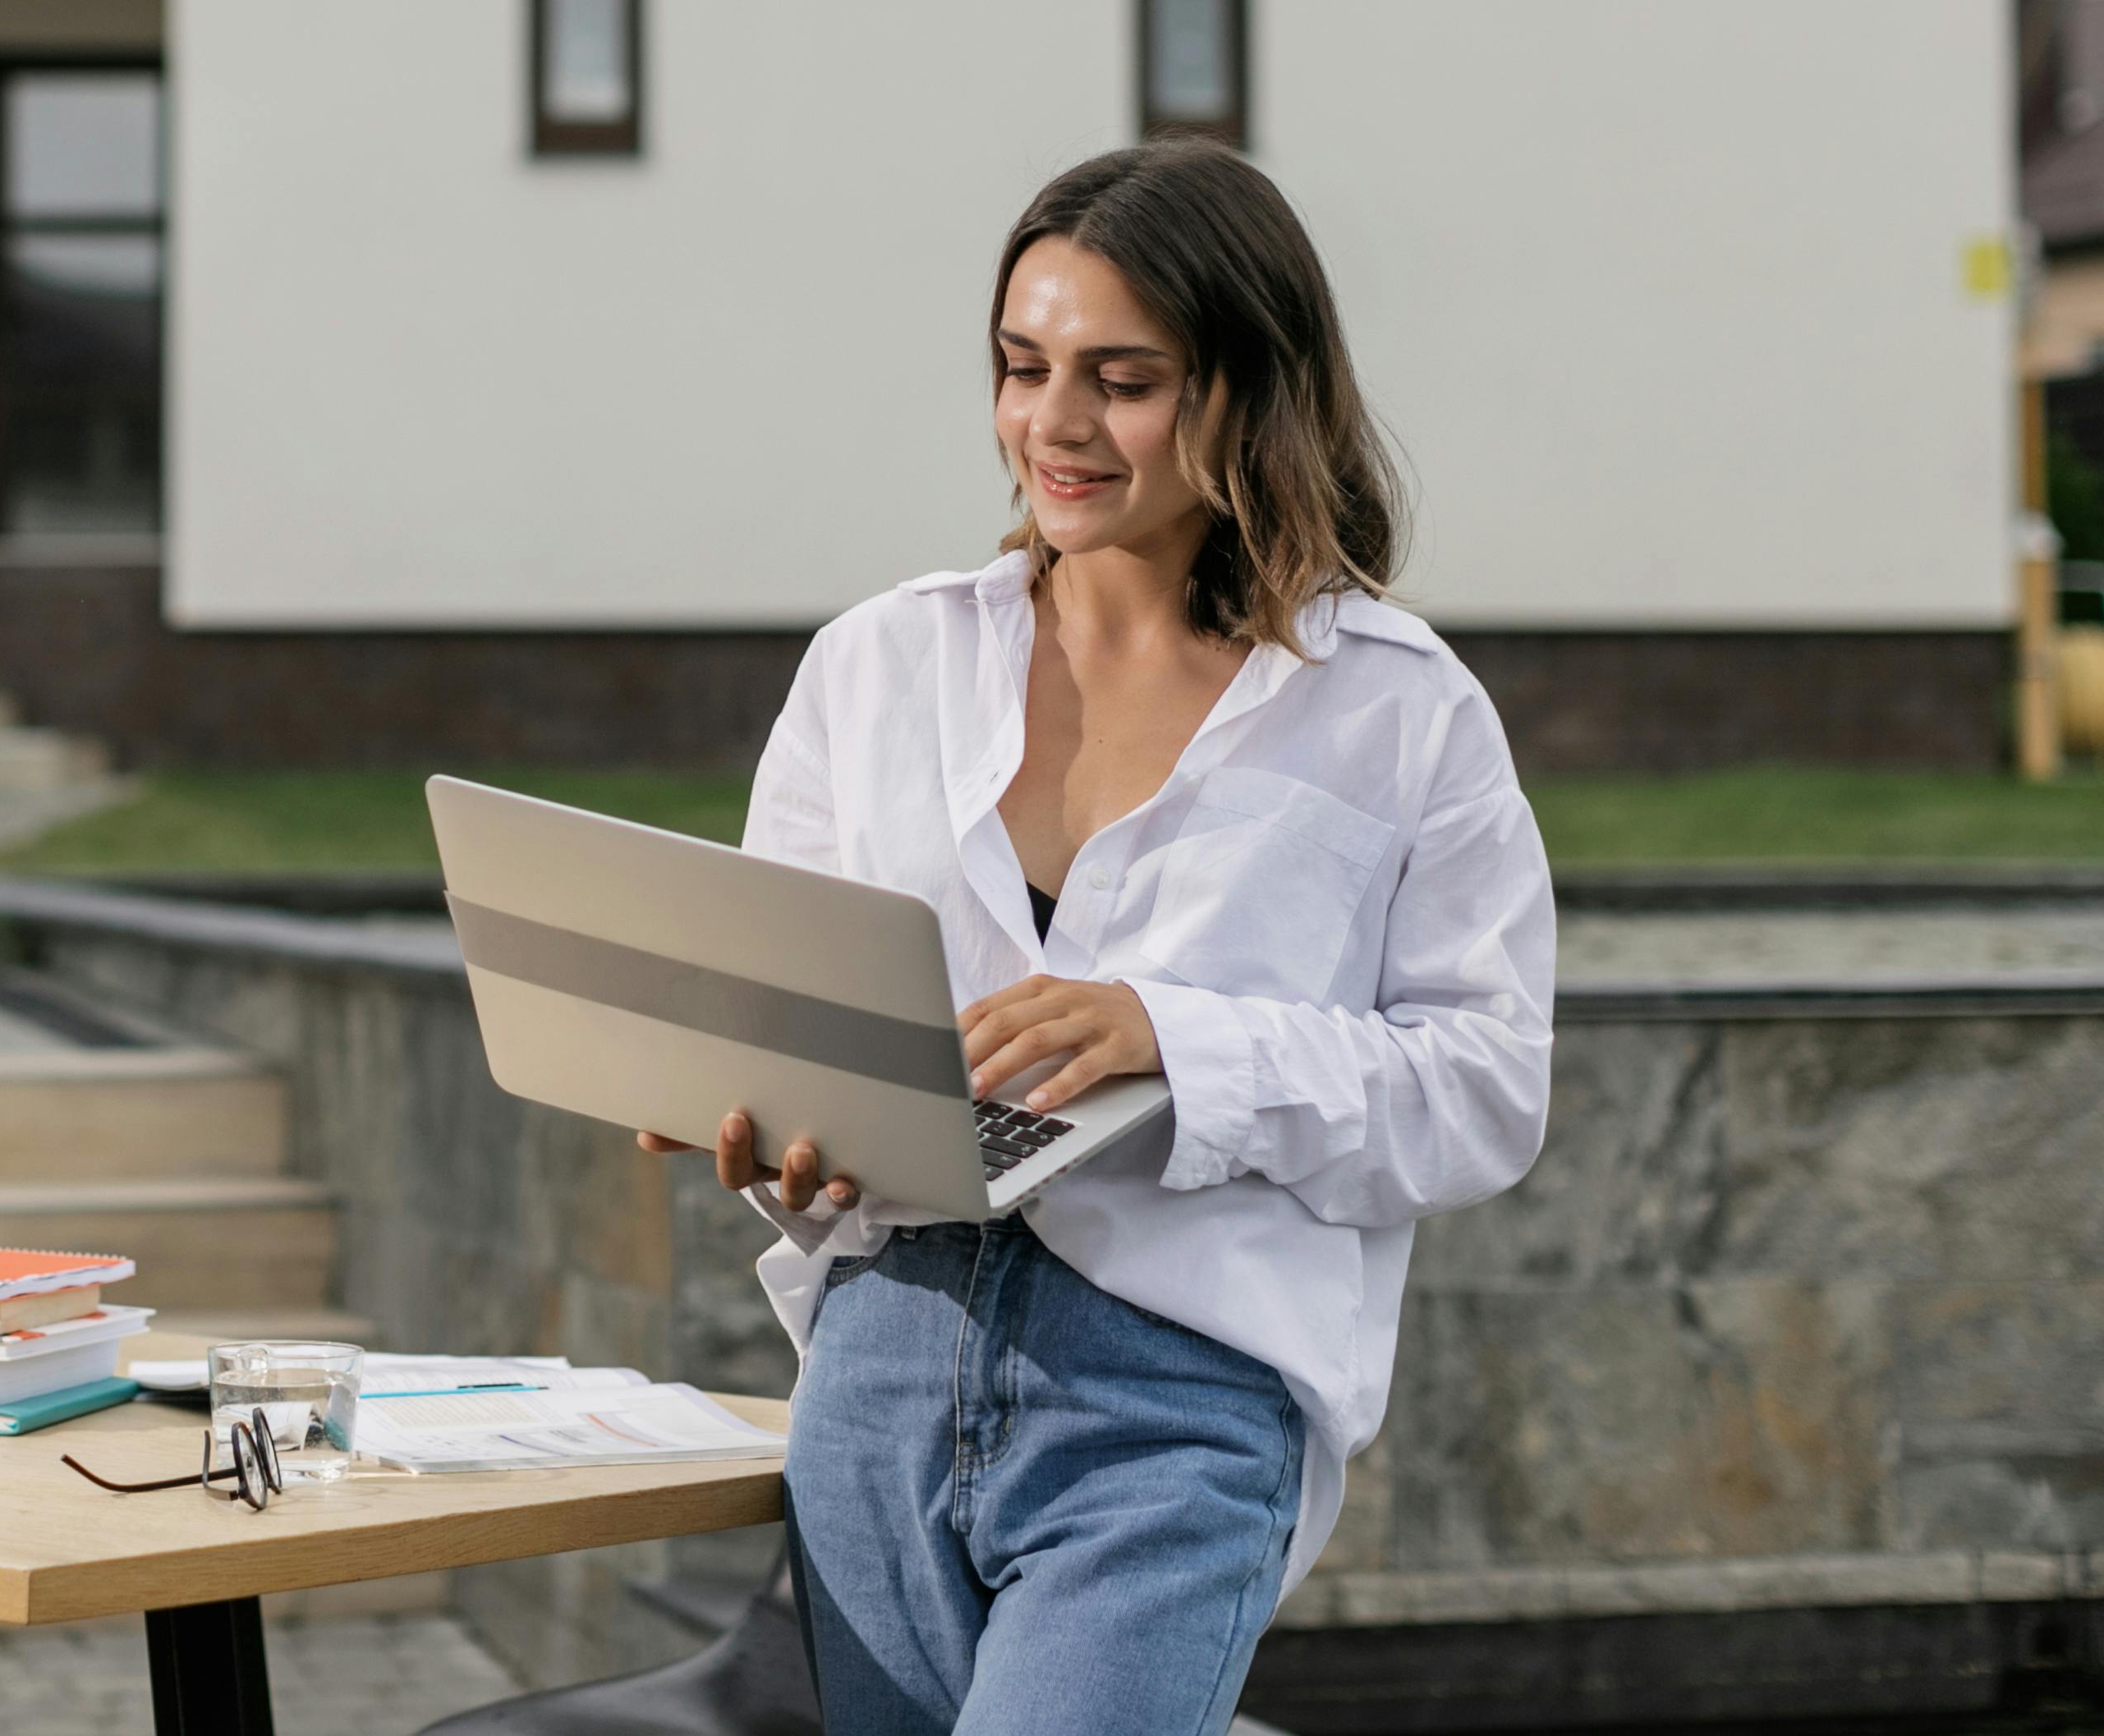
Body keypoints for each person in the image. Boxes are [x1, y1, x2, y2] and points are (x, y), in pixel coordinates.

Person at [642, 140, 1554, 1736]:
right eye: (1020, 366)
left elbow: (1482, 1091)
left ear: (1248, 391)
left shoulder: (1397, 714)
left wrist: (1171, 1038)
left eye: (1117, 378)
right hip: (879, 1383)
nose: (1050, 423)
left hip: (1169, 1408)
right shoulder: (877, 666)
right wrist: (774, 1120)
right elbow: (786, 997)